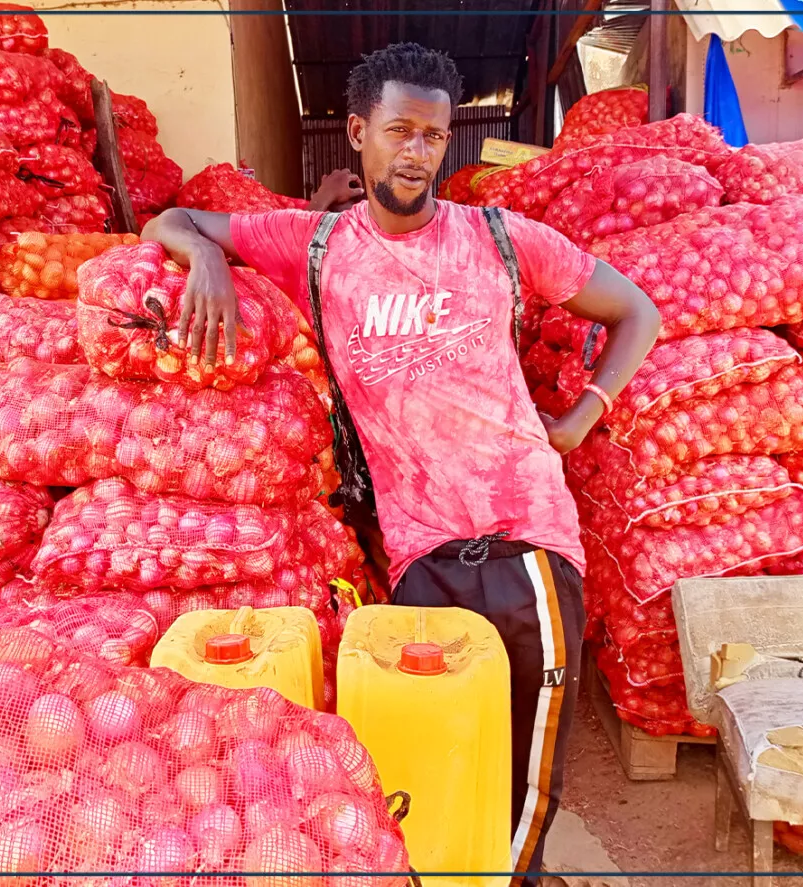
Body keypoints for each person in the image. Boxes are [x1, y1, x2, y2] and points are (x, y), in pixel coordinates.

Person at [142, 42, 661, 882]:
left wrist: (579, 420)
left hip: (527, 541)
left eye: (433, 135)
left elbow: (635, 310)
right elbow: (173, 219)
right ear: (357, 132)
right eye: (399, 131)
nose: (417, 152)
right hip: (417, 555)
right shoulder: (314, 245)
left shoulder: (500, 236)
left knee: (528, 771)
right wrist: (205, 257)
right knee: (431, 756)